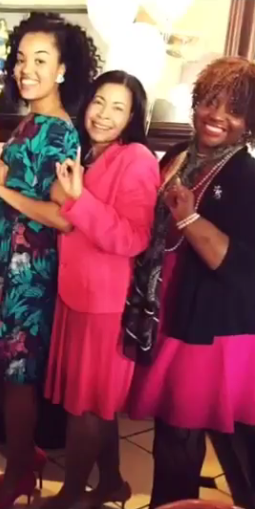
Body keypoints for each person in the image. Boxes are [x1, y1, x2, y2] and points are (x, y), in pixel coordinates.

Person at [0, 12, 100, 509]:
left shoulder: (59, 133)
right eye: (22, 59)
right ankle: (27, 457)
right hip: (2, 265)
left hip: (27, 272)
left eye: (41, 60)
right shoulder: (29, 123)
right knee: (4, 371)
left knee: (17, 376)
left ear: (62, 70)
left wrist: (1, 190)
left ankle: (19, 472)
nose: (27, 69)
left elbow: (64, 218)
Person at [123, 56, 255, 508]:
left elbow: (236, 264)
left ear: (249, 123)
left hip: (209, 328)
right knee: (172, 431)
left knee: (184, 432)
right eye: (209, 102)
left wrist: (189, 218)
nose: (216, 116)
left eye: (234, 110)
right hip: (167, 307)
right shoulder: (179, 155)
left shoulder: (245, 176)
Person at [42, 70, 159, 509]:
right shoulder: (87, 151)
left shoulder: (137, 158)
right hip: (77, 293)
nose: (104, 114)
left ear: (133, 117)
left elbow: (134, 237)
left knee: (87, 407)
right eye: (99, 102)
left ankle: (72, 495)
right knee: (95, 401)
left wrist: (76, 199)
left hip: (105, 303)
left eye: (118, 108)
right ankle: (111, 480)